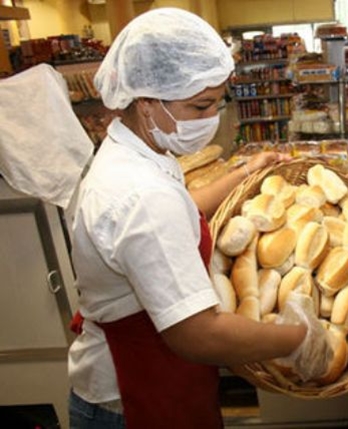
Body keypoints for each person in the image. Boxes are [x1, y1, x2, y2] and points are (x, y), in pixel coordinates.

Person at [67, 8, 331, 429]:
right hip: (134, 402)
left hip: (153, 382)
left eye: (217, 102)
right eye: (200, 105)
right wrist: (299, 338)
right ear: (148, 103)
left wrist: (245, 172)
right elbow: (198, 334)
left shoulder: (136, 152)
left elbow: (183, 205)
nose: (213, 117)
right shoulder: (141, 195)